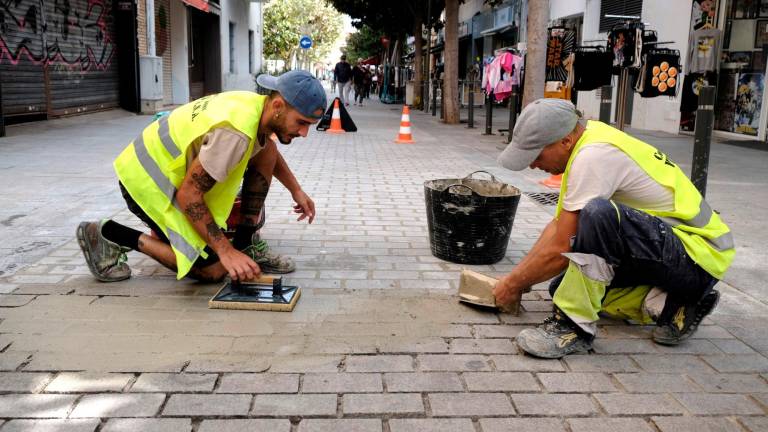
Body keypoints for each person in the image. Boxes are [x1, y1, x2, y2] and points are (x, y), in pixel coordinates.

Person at [493, 99, 735, 358]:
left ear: (565, 140)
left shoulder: (594, 155)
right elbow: (558, 228)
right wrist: (516, 279)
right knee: (562, 288)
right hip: (669, 252)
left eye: (537, 155)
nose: (532, 165)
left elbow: (562, 246)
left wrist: (513, 284)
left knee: (599, 216)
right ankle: (675, 304)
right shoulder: (585, 140)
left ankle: (572, 327)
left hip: (699, 256)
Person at [76, 70, 326, 283]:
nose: (304, 133)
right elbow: (189, 195)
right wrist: (224, 251)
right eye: (301, 123)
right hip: (146, 182)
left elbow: (266, 150)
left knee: (267, 149)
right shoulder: (234, 133)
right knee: (213, 269)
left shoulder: (257, 109)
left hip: (171, 176)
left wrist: (296, 189)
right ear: (279, 105)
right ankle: (106, 233)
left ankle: (245, 244)